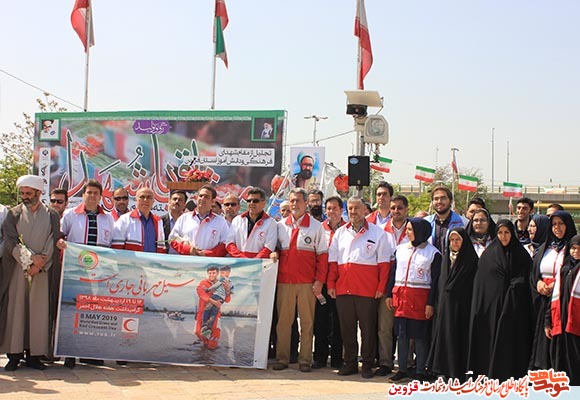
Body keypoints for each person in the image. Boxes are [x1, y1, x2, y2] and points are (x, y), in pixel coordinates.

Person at [327, 196, 393, 379]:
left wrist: (381, 287)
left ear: (365, 210)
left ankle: (367, 364)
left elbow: (384, 265)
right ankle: (350, 363)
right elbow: (333, 262)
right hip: (343, 289)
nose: (353, 212)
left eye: (357, 208)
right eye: (350, 208)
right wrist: (331, 284)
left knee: (368, 330)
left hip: (367, 290)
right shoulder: (340, 233)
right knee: (347, 329)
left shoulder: (378, 234)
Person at [0, 175, 60, 371]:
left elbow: (53, 240)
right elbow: (10, 241)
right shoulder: (13, 214)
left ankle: (34, 356)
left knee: (38, 313)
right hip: (18, 270)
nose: (25, 197)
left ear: (38, 193)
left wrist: (40, 264)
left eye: (28, 193)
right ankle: (14, 355)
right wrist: (29, 261)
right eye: (23, 193)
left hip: (42, 271)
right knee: (16, 311)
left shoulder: (52, 215)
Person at [57, 179, 115, 368]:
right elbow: (59, 235)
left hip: (98, 273)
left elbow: (112, 246)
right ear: (83, 195)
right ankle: (69, 353)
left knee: (93, 311)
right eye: (89, 192)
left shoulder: (108, 219)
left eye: (96, 193)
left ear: (100, 197)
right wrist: (60, 243)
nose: (92, 196)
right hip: (74, 272)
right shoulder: (71, 214)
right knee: (72, 310)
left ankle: (88, 352)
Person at [467, 219, 533, 381]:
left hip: (514, 309)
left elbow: (526, 280)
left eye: (507, 232)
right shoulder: (488, 256)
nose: (503, 236)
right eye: (500, 233)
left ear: (512, 234)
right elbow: (482, 284)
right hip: (491, 309)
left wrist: (513, 289)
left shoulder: (521, 255)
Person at [272, 188, 327, 373]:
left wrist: (319, 281)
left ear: (305, 203)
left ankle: (305, 360)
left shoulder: (316, 227)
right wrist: (274, 253)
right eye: (292, 200)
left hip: (307, 283)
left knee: (307, 323)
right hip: (284, 282)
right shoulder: (279, 226)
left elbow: (322, 257)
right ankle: (282, 358)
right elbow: (275, 249)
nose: (294, 204)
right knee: (283, 323)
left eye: (298, 200)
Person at [387, 218, 441, 382]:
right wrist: (389, 294)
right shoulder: (400, 250)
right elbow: (393, 273)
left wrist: (430, 303)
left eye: (410, 229)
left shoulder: (433, 253)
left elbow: (436, 281)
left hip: (420, 301)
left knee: (420, 337)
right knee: (402, 336)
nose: (407, 232)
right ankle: (402, 369)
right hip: (401, 299)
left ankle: (420, 370)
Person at [427, 227, 478, 380]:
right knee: (445, 336)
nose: (455, 243)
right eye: (452, 240)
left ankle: (458, 372)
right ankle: (443, 369)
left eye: (458, 240)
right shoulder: (446, 259)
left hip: (462, 307)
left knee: (459, 338)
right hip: (445, 307)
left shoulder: (471, 260)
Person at [529, 211, 577, 371]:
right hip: (542, 299)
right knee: (540, 340)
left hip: (562, 300)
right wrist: (537, 283)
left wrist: (557, 285)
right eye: (554, 224)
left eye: (561, 224)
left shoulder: (573, 248)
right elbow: (534, 271)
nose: (557, 227)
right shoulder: (545, 247)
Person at [375, 194, 410, 377]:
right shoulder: (380, 231)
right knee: (384, 327)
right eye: (393, 208)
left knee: (406, 328)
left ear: (407, 210)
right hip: (386, 284)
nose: (396, 211)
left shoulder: (413, 230)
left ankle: (408, 364)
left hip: (407, 286)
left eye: (400, 208)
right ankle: (385, 362)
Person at [312, 196, 345, 370]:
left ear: (341, 210)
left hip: (341, 283)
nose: (332, 212)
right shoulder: (319, 229)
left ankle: (338, 358)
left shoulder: (348, 229)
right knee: (321, 321)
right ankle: (320, 357)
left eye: (335, 208)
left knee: (339, 322)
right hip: (322, 283)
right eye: (329, 208)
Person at [545, 234, 580, 385]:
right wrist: (547, 321)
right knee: (559, 359)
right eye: (573, 248)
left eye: (579, 249)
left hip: (576, 326)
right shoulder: (564, 270)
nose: (576, 252)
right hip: (560, 322)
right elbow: (553, 298)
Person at [169, 185, 229, 257]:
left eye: (206, 197)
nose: (202, 198)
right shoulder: (184, 218)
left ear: (213, 201)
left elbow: (226, 244)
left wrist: (207, 253)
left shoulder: (221, 222)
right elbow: (172, 239)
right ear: (197, 198)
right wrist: (188, 250)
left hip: (209, 262)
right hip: (186, 261)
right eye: (200, 196)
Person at [226, 187, 277, 258]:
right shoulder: (237, 220)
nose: (251, 203)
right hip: (238, 262)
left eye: (255, 201)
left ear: (263, 203)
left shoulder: (271, 223)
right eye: (249, 201)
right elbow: (229, 243)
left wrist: (253, 261)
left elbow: (269, 247)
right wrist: (241, 258)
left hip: (259, 263)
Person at [112, 187, 165, 253]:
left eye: (149, 197)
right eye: (142, 197)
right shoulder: (124, 220)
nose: (145, 200)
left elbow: (161, 248)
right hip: (130, 260)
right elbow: (116, 249)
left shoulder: (158, 221)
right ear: (136, 200)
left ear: (153, 201)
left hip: (153, 260)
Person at [196, 266, 231, 349]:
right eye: (210, 273)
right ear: (207, 274)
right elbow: (201, 294)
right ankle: (205, 348)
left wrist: (227, 290)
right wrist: (214, 302)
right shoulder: (203, 282)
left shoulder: (223, 283)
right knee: (198, 331)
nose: (211, 275)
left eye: (214, 273)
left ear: (217, 273)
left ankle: (212, 349)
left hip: (215, 313)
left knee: (215, 332)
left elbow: (227, 300)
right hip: (203, 311)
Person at [424, 186, 464, 253]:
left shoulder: (462, 222)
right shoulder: (426, 222)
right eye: (436, 199)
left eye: (443, 198)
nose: (439, 201)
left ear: (451, 201)